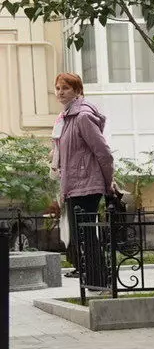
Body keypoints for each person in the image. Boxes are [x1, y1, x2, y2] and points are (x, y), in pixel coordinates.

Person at [50, 72, 115, 276]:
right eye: (58, 88)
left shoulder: (83, 116)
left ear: (77, 91)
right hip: (73, 185)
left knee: (86, 233)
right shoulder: (65, 118)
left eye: (66, 88)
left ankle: (99, 278)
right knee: (81, 235)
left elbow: (103, 152)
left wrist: (107, 182)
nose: (60, 92)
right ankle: (95, 276)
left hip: (87, 184)